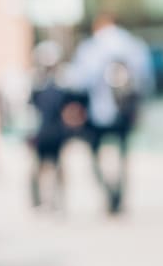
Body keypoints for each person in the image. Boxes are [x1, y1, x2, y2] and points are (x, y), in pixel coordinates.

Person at [68, 12, 155, 215]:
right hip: (125, 110)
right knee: (123, 155)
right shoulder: (133, 45)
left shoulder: (90, 48)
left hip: (97, 112)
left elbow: (80, 81)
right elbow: (146, 79)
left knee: (95, 154)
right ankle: (120, 195)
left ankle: (108, 192)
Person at [27, 40, 82, 213]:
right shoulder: (35, 81)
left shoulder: (64, 80)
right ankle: (38, 201)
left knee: (58, 166)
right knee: (38, 167)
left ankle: (58, 200)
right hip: (40, 131)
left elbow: (72, 107)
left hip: (57, 131)